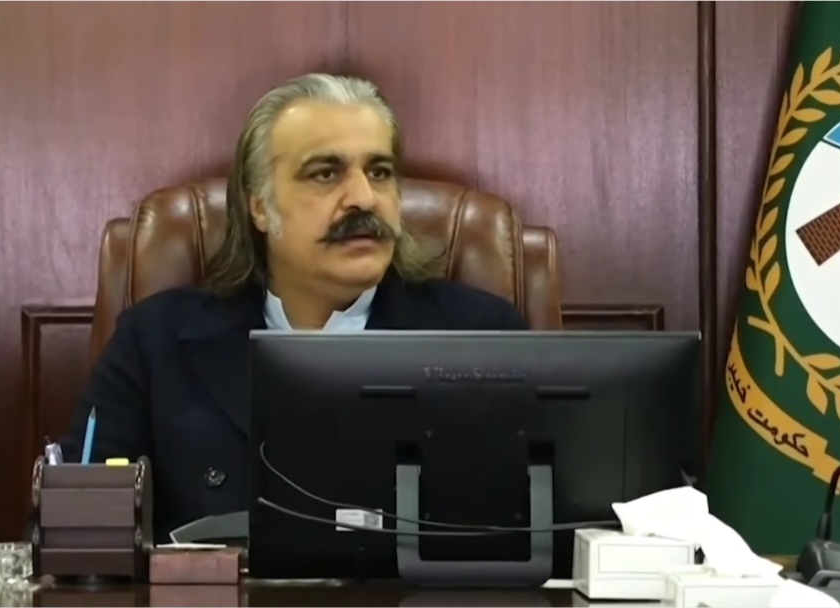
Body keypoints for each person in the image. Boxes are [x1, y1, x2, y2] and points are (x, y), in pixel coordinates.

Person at [58, 73, 529, 543]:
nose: (364, 198)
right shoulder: (153, 342)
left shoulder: (483, 337)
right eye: (325, 173)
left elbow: (540, 537)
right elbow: (75, 539)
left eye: (380, 172)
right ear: (260, 207)